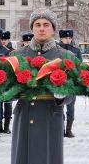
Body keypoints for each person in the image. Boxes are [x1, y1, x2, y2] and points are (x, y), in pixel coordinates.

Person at [11, 9, 75, 164]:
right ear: (32, 28)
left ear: (53, 29)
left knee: (49, 157)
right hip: (24, 113)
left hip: (50, 115)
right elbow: (9, 86)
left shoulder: (65, 56)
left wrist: (62, 94)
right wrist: (8, 92)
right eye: (37, 24)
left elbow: (73, 92)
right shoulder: (18, 55)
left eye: (46, 25)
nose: (41, 28)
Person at [59, 29, 83, 138]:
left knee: (71, 107)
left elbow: (80, 65)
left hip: (72, 82)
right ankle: (60, 128)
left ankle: (68, 130)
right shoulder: (57, 50)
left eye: (69, 38)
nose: (67, 40)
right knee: (60, 106)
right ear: (61, 38)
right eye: (65, 38)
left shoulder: (76, 50)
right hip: (59, 81)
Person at [0, 31, 14, 135]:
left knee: (7, 105)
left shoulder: (7, 51)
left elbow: (11, 67)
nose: (4, 41)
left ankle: (6, 126)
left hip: (7, 82)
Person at [0, 28, 10, 138]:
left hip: (2, 82)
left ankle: (3, 127)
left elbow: (8, 67)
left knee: (2, 105)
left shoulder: (5, 51)